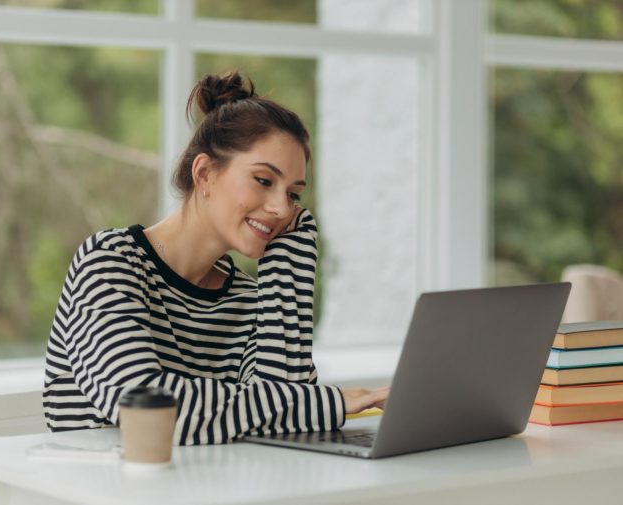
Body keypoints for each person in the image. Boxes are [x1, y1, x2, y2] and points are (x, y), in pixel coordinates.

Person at [43, 71, 389, 445]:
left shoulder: (249, 299)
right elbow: (143, 409)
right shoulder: (109, 265)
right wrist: (330, 402)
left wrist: (292, 256)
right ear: (205, 174)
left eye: (293, 195)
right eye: (263, 180)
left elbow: (288, 425)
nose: (281, 209)